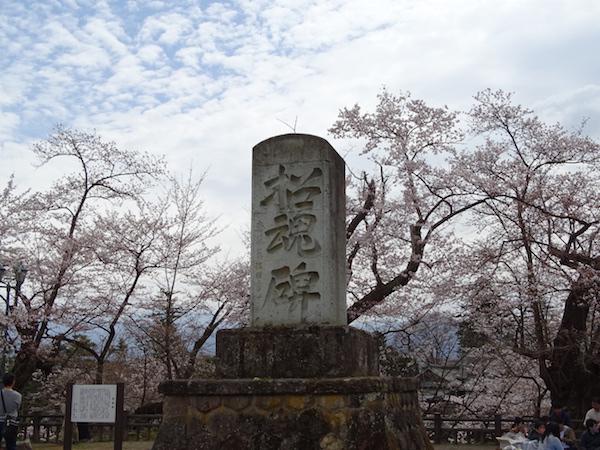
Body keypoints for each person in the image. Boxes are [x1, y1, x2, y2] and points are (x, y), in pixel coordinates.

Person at [0, 373, 22, 450]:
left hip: (0, 420)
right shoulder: (18, 395)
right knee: (11, 444)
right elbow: (17, 408)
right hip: (11, 422)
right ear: (13, 382)